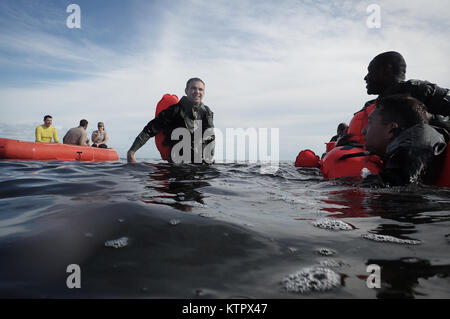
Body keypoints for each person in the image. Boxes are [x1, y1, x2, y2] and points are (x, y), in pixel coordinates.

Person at [337, 51, 450, 146]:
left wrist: (430, 119)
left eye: (370, 71)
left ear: (386, 70)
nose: (365, 77)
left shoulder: (421, 90)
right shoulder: (370, 106)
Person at [361, 95, 448, 187]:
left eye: (370, 122)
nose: (363, 130)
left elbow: (399, 191)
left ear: (391, 129)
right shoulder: (418, 143)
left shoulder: (410, 150)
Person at [127, 78, 214, 163]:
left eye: (200, 89)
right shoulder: (174, 110)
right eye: (193, 88)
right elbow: (150, 129)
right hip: (179, 166)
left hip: (201, 164)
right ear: (186, 90)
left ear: (204, 92)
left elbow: (210, 137)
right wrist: (131, 152)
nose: (197, 92)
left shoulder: (207, 112)